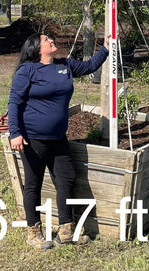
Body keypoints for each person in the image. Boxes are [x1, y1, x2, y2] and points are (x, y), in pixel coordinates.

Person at [8, 32, 109, 250]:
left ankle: (65, 231)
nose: (51, 40)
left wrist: (106, 48)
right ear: (36, 49)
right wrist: (15, 133)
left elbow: (91, 66)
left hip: (58, 138)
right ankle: (34, 232)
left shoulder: (65, 65)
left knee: (66, 179)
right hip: (32, 139)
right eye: (46, 40)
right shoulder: (28, 71)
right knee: (33, 184)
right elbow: (14, 102)